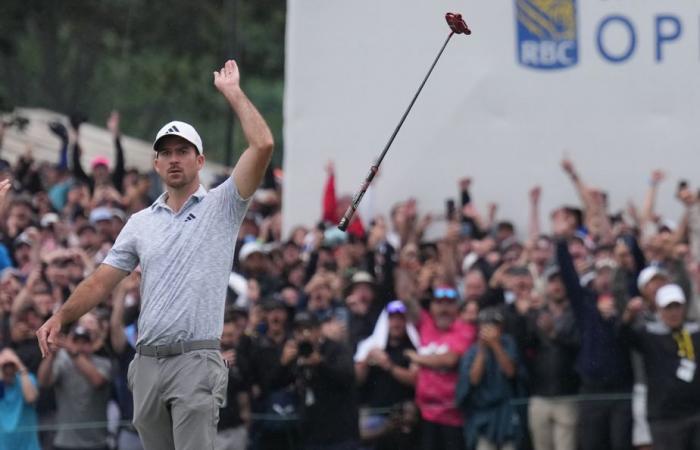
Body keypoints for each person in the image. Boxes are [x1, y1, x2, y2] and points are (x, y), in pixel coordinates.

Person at [36, 59, 274, 450]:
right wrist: (61, 316)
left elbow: (263, 145)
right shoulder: (140, 222)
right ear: (156, 163)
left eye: (184, 151)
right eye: (166, 152)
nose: (174, 158)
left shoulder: (224, 204)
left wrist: (232, 93)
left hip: (196, 360)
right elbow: (100, 281)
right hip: (145, 363)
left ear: (200, 160)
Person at [622, 284, 700, 450]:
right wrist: (629, 315)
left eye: (677, 307)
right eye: (668, 308)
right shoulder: (648, 334)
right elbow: (623, 336)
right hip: (665, 418)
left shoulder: (695, 333)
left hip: (695, 413)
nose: (673, 313)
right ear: (659, 309)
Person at [407, 285, 478, 450]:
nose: (444, 308)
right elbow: (405, 297)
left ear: (456, 308)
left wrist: (416, 357)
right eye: (439, 303)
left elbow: (450, 360)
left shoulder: (464, 328)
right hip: (425, 415)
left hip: (453, 416)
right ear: (431, 306)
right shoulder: (426, 325)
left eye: (449, 303)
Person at [37, 323, 112, 450]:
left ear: (92, 345)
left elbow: (97, 381)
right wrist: (51, 356)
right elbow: (44, 382)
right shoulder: (62, 361)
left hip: (96, 442)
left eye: (85, 342)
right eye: (76, 342)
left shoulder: (103, 364)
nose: (80, 346)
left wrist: (73, 353)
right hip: (65, 442)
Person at [456, 308, 522, 450]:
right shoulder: (472, 351)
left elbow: (510, 372)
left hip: (505, 413)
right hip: (482, 415)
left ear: (501, 327)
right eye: (486, 325)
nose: (490, 329)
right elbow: (473, 380)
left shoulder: (508, 343)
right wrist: (482, 350)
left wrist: (495, 345)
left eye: (494, 325)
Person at [0, 347, 40, 450]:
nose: (8, 368)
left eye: (11, 364)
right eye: (5, 365)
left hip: (28, 446)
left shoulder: (26, 378)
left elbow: (31, 398)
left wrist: (20, 366)